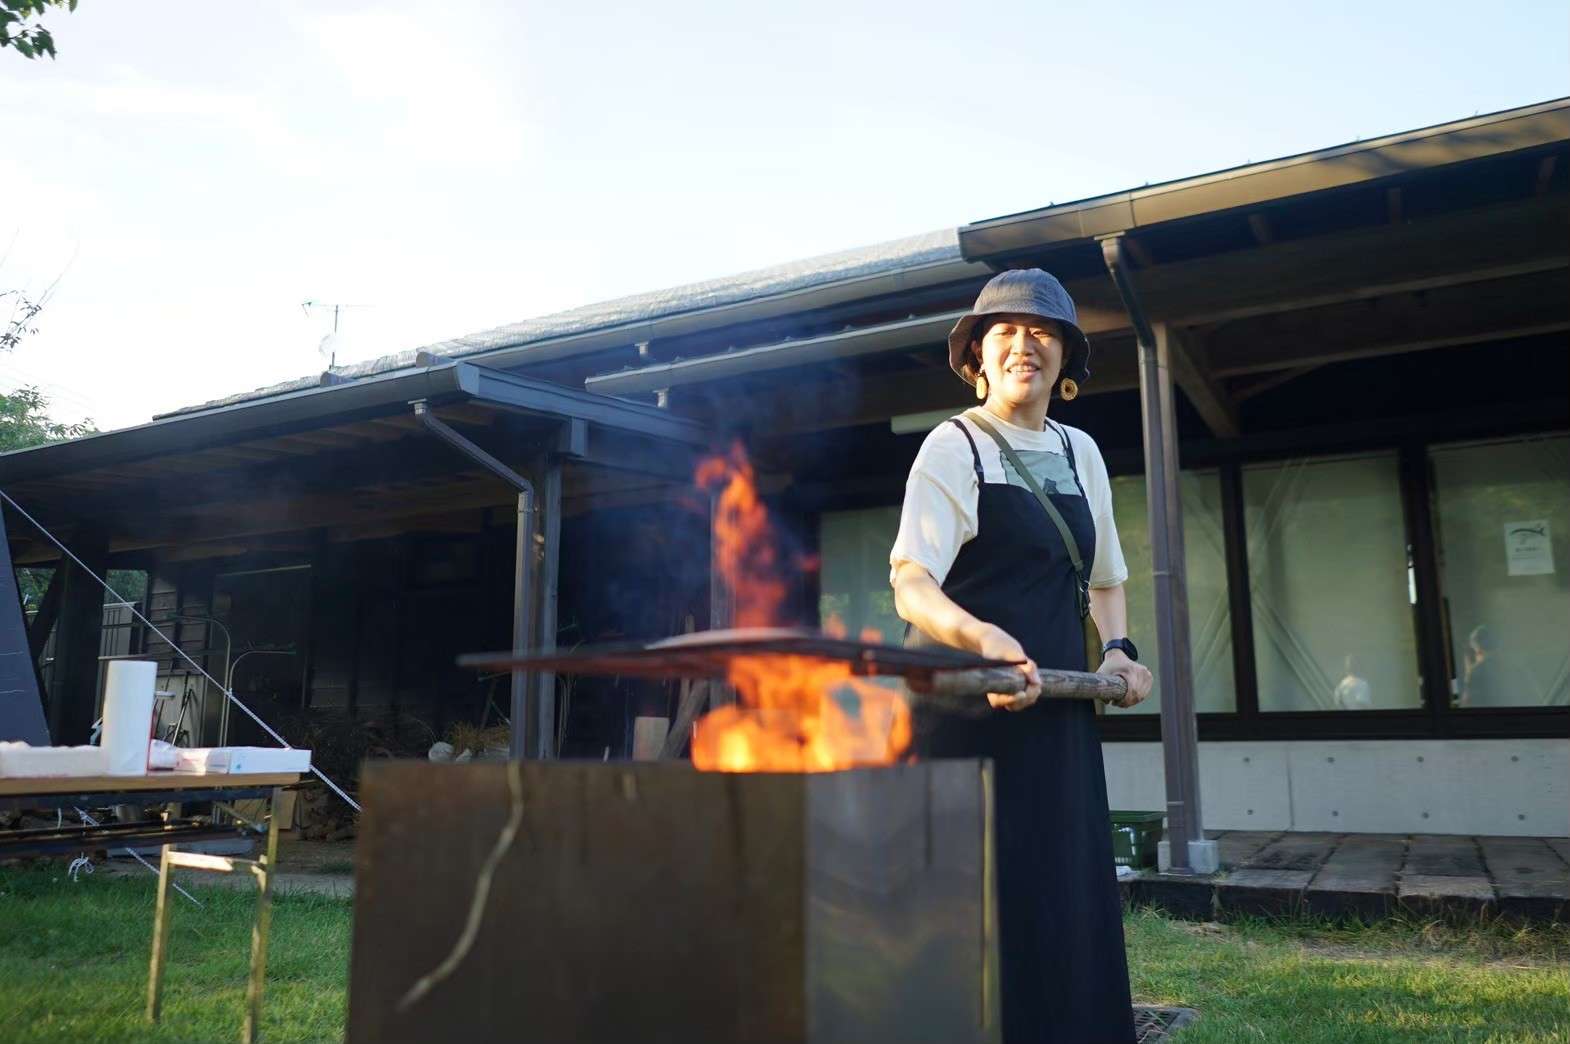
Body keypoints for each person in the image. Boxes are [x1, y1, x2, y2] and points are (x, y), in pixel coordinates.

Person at [890, 268, 1154, 1043]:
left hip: (1055, 710)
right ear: (978, 355)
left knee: (1059, 890)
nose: (1022, 346)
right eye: (1002, 332)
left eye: (1040, 332)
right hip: (960, 713)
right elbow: (912, 584)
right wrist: (984, 639)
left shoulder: (1081, 453)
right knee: (968, 902)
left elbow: (1105, 578)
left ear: (1066, 356)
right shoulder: (955, 445)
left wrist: (1118, 652)